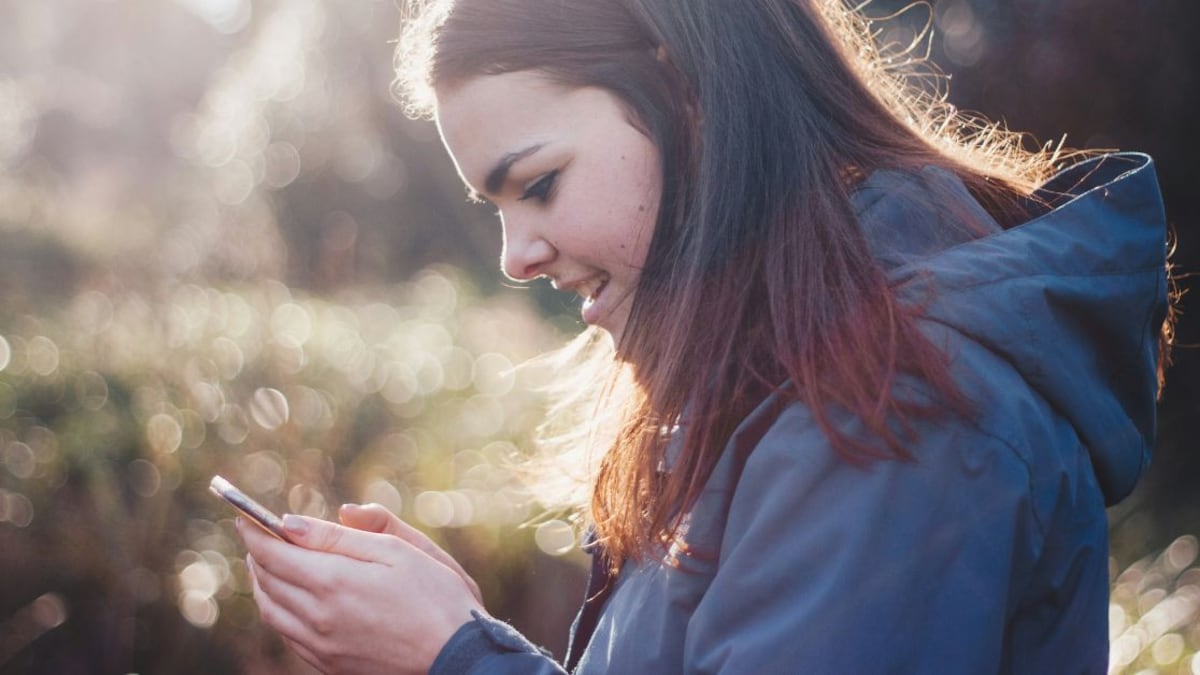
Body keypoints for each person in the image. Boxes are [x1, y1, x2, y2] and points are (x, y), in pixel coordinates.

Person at [236, 0, 1173, 672]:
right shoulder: (791, 378)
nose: (517, 255)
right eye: (497, 206)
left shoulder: (896, 410)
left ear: (684, 95)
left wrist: (452, 655)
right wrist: (452, 634)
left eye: (540, 183)